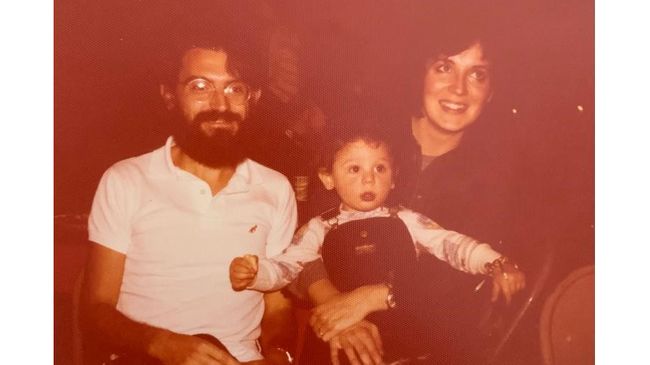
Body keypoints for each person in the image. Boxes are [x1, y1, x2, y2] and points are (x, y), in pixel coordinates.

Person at [79, 19, 297, 365]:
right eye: (200, 86)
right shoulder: (126, 180)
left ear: (252, 99)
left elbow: (278, 303)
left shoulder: (275, 188)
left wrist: (277, 355)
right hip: (143, 357)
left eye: (234, 89)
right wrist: (162, 344)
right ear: (170, 95)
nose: (220, 105)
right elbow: (96, 308)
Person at [230, 124, 526, 364]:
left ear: (394, 178)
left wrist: (494, 262)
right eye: (354, 169)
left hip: (402, 342)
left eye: (379, 169)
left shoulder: (408, 220)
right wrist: (258, 274)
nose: (368, 180)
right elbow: (289, 265)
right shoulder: (320, 227)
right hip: (339, 343)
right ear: (327, 178)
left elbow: (453, 244)